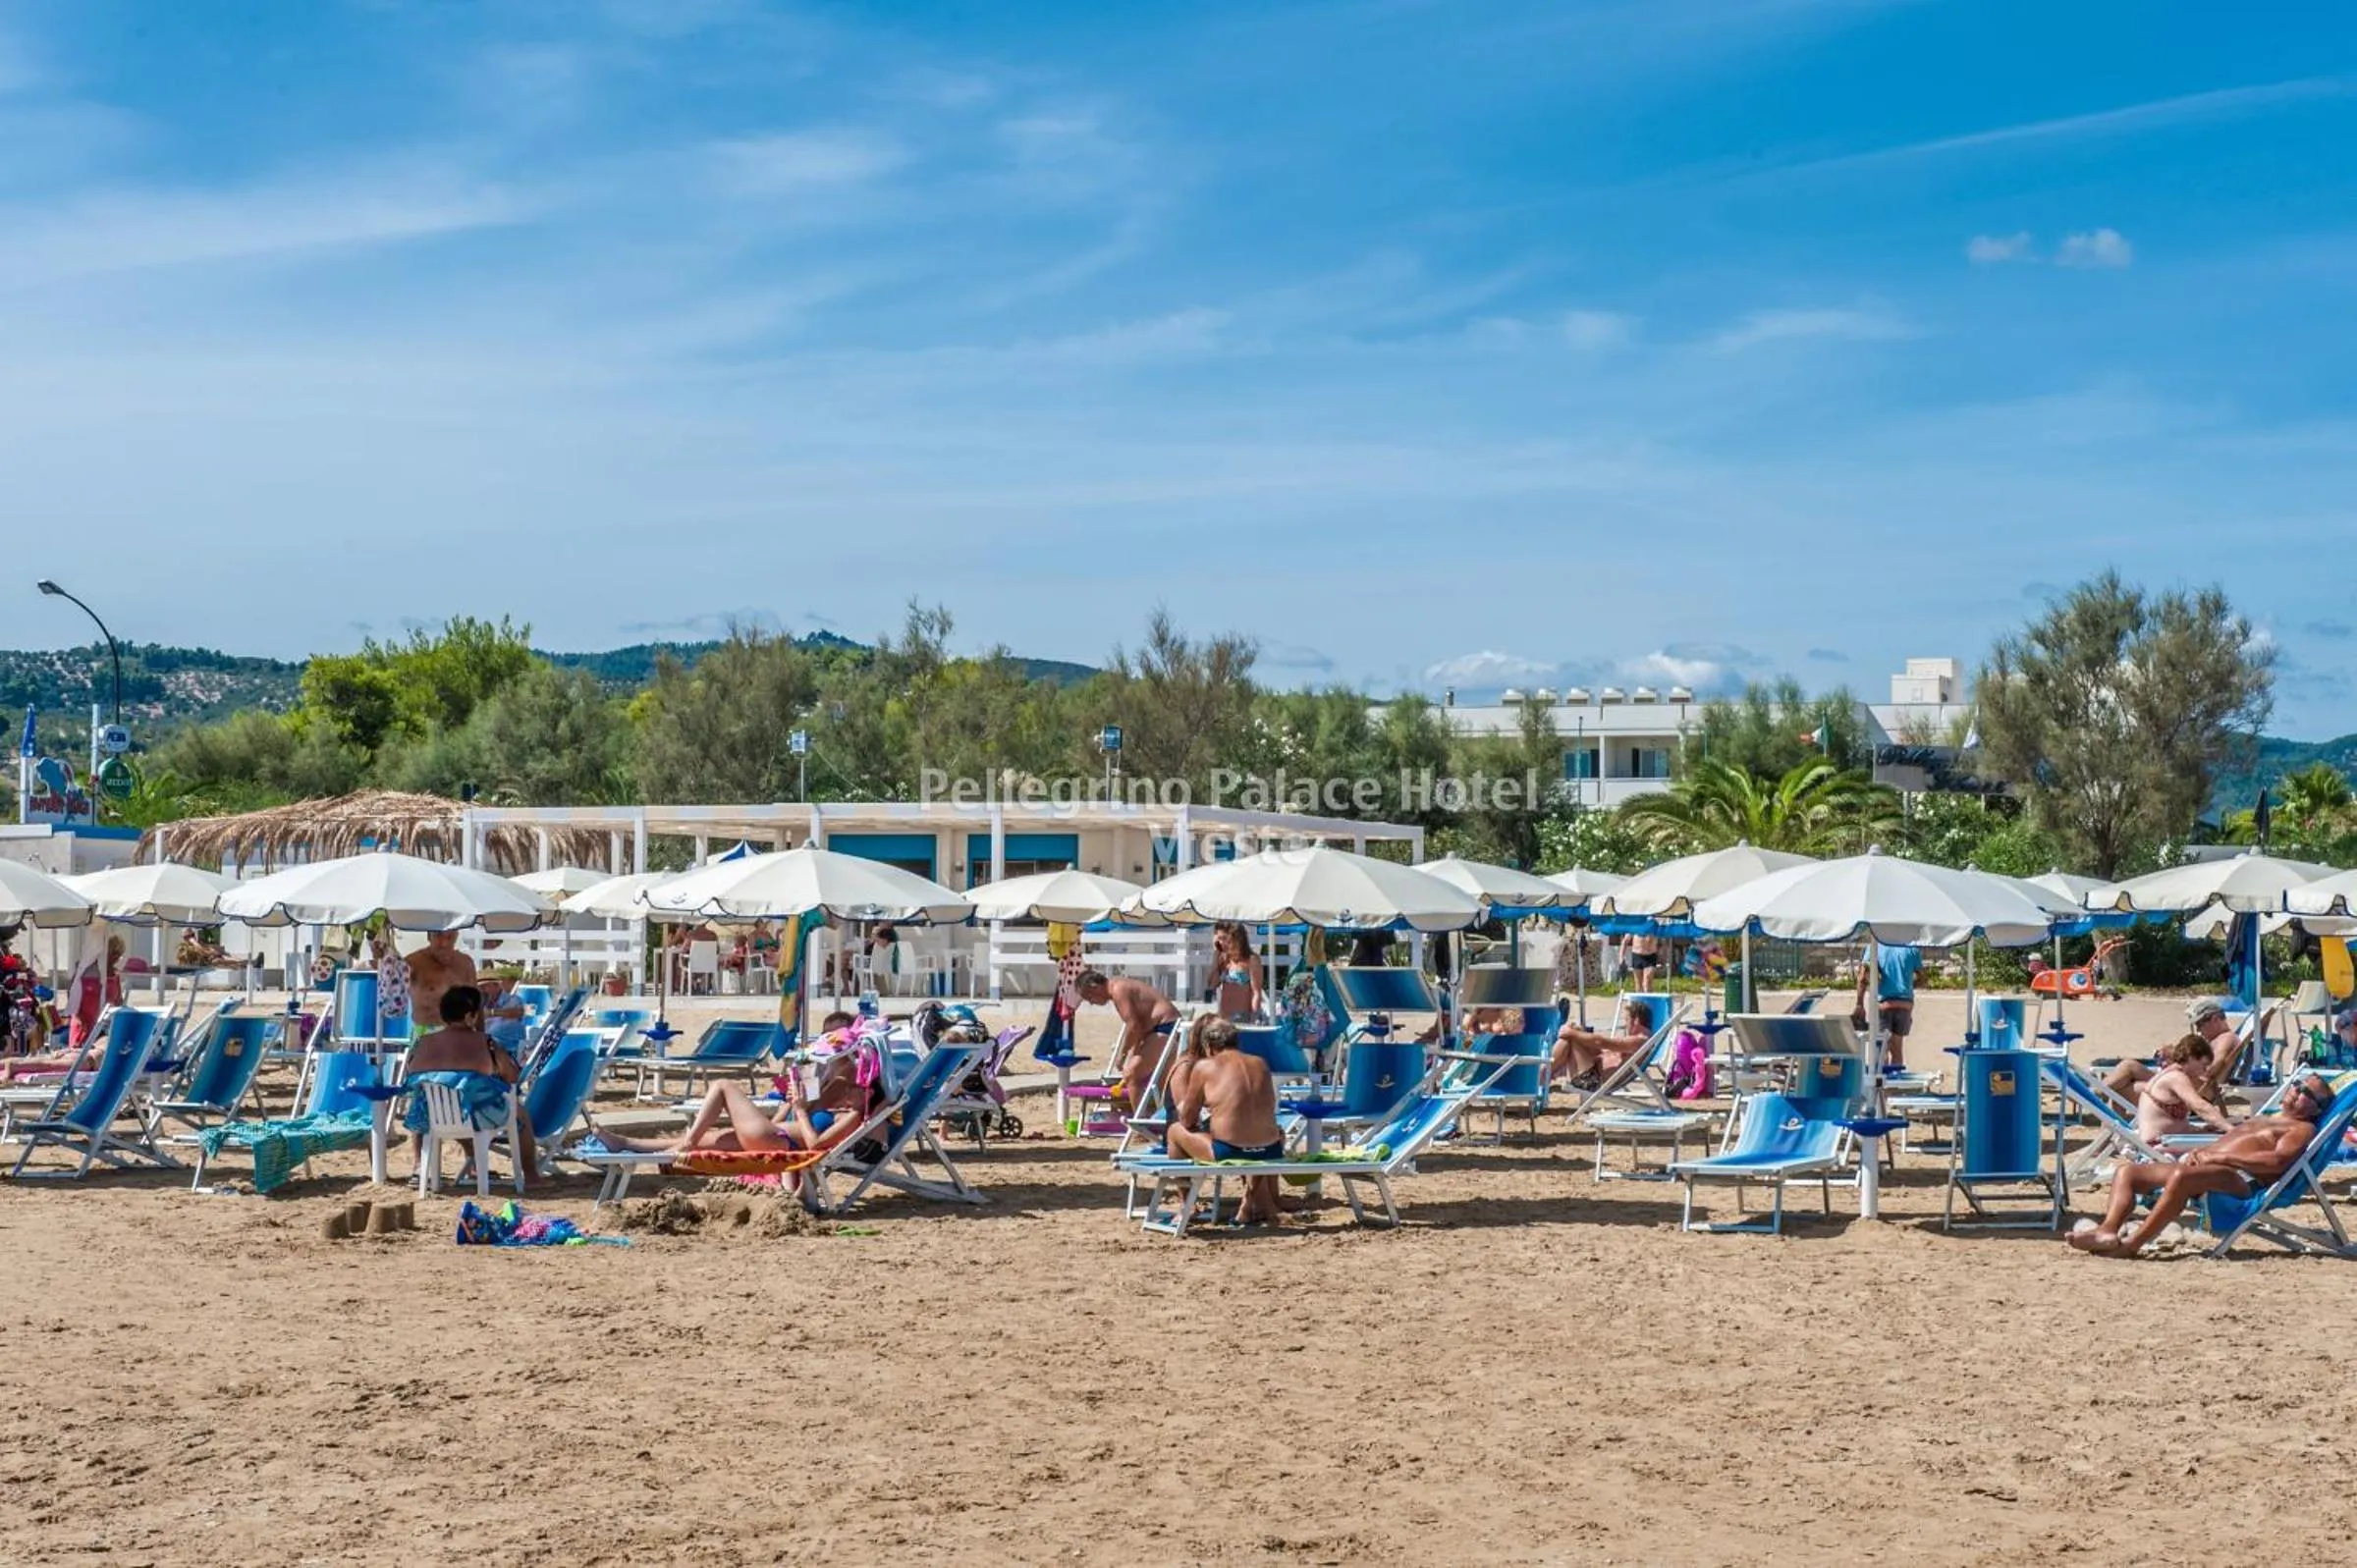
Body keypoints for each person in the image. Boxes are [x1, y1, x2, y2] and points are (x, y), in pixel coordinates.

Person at [2068, 1070, 2334, 1257]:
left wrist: (2219, 1157)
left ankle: (2132, 1245)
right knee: (2128, 1172)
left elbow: (2277, 1162)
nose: (2296, 1091)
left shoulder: (2302, 1129)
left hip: (2241, 1179)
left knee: (2182, 1178)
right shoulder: (2270, 1115)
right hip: (2206, 1165)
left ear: (2317, 1109)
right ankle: (2107, 1231)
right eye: (2298, 1085)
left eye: (2307, 1094)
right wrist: (2202, 1150)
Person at [588, 1041, 881, 1174]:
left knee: (723, 1086)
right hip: (772, 1134)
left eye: (857, 1089)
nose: (850, 1090)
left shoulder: (855, 1118)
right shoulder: (842, 1111)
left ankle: (686, 1145)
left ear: (867, 1096)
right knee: (694, 1141)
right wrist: (793, 1105)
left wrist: (803, 1110)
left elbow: (817, 1144)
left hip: (777, 1143)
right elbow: (793, 1117)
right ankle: (623, 1144)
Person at [404, 985, 538, 1191]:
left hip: (433, 1118)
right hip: (475, 1115)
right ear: (470, 1015)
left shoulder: (423, 1043)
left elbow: (410, 1073)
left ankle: (421, 1166)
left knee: (428, 1100)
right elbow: (512, 1077)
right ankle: (531, 1176)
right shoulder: (486, 1042)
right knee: (519, 1114)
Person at [1164, 1015, 1288, 1224]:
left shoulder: (1204, 1067)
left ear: (1209, 1046)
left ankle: (1187, 1204)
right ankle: (1248, 1205)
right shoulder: (1260, 1063)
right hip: (1270, 1149)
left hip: (1229, 1151)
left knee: (1175, 1131)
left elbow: (1186, 1119)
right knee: (1257, 1137)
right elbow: (1268, 1107)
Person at [1076, 968, 1179, 1111]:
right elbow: (1139, 1026)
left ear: (1094, 987)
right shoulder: (1119, 985)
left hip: (1167, 1029)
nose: (1092, 1003)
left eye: (1089, 998)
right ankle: (1154, 1120)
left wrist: (1123, 1054)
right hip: (1163, 1029)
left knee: (1132, 1073)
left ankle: (1142, 1125)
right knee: (1156, 1080)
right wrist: (1133, 1050)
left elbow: (1133, 1025)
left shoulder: (1118, 990)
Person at [2107, 998, 2239, 1105]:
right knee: (2127, 1072)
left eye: (2200, 1024)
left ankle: (2096, 1093)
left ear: (2215, 1019)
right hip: (2188, 1085)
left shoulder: (2226, 1038)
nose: (2199, 1030)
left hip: (2195, 1091)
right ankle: (2100, 1099)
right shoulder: (2217, 1039)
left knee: (2126, 1075)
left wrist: (2176, 1057)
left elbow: (2211, 1068)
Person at [2133, 1034, 2235, 1144]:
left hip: (2164, 1140)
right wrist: (2231, 1129)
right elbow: (2200, 1106)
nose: (2204, 1071)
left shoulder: (2169, 1073)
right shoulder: (2177, 1077)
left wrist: (2199, 1130)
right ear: (2191, 1058)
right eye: (2203, 1065)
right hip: (2159, 1144)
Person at [1551, 997, 1656, 1087]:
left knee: (1570, 1038)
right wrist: (1576, 1031)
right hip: (1592, 1072)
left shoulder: (1640, 1041)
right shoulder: (1640, 1041)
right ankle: (1545, 1073)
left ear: (1636, 1020)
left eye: (1627, 1020)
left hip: (1591, 1081)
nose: (1625, 1025)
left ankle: (1542, 1075)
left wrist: (1572, 1033)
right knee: (1574, 1031)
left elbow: (1602, 1042)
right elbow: (1602, 1047)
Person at [1854, 939, 1921, 1070]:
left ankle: (1881, 1088)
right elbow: (1922, 978)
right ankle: (1895, 1085)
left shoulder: (1875, 947)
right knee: (1897, 1050)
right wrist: (1906, 984)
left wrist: (1859, 1003)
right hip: (1905, 1005)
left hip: (1884, 1004)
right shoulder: (1911, 948)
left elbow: (1863, 977)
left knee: (1881, 1051)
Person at [404, 931, 477, 1042]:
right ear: (429, 936)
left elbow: (477, 1005)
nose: (444, 943)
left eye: (449, 937)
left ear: (456, 935)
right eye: (438, 936)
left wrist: (482, 1039)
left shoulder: (466, 963)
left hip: (462, 1035)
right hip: (427, 1034)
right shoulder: (412, 963)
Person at [1212, 924, 1264, 1022]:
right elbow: (1212, 984)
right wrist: (1216, 956)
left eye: (1229, 941)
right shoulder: (1225, 959)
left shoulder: (1251, 960)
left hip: (1241, 1015)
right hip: (1224, 1015)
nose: (1226, 944)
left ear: (1239, 941)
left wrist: (1254, 1016)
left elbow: (1256, 992)